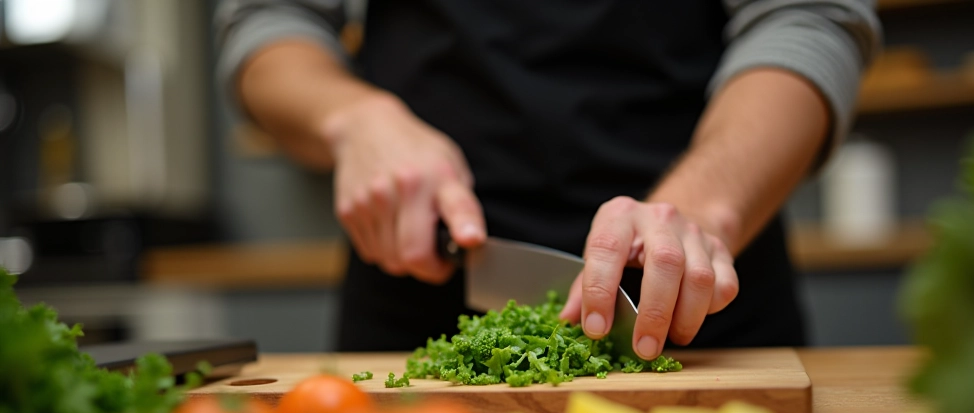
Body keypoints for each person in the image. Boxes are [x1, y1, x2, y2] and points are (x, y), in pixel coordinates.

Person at [216, 0, 880, 357]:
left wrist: (708, 203)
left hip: (696, 312)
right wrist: (353, 119)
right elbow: (270, 18)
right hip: (417, 313)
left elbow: (809, 14)